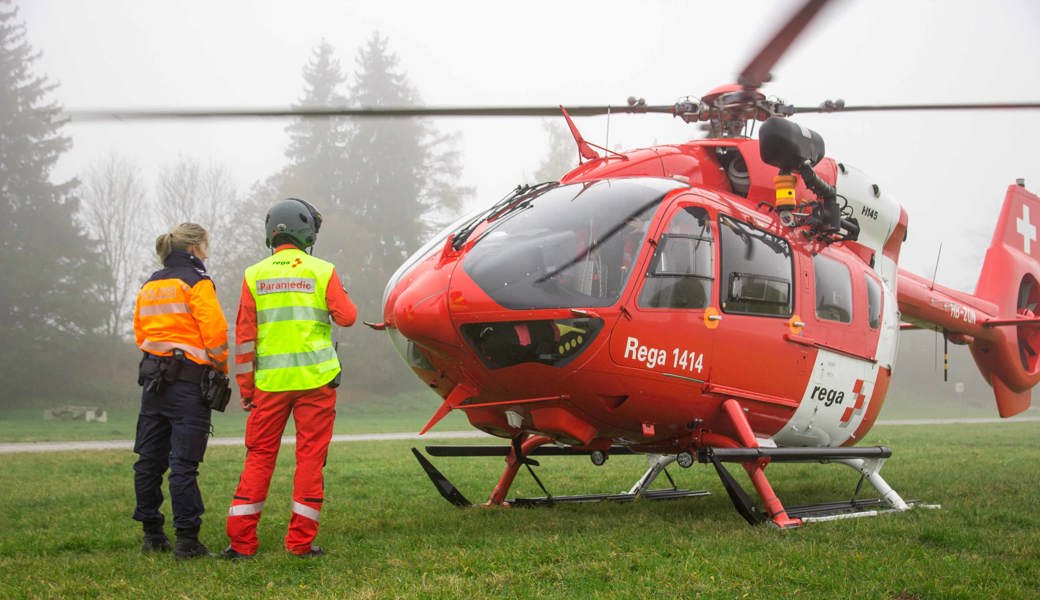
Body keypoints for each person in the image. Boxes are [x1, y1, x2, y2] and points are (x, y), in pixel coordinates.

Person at [222, 198, 357, 559]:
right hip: (316, 381)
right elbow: (347, 317)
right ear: (306, 232)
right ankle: (299, 543)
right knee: (310, 459)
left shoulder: (254, 275)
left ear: (271, 233)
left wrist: (246, 388)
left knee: (259, 458)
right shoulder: (322, 270)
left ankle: (241, 543)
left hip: (269, 386)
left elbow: (245, 337)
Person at [132, 223, 228, 559]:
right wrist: (220, 369)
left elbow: (140, 332)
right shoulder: (196, 282)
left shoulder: (151, 284)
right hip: (188, 384)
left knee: (149, 461)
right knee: (184, 464)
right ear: (195, 247)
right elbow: (215, 333)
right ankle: (187, 540)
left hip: (153, 381)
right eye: (206, 245)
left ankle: (152, 534)